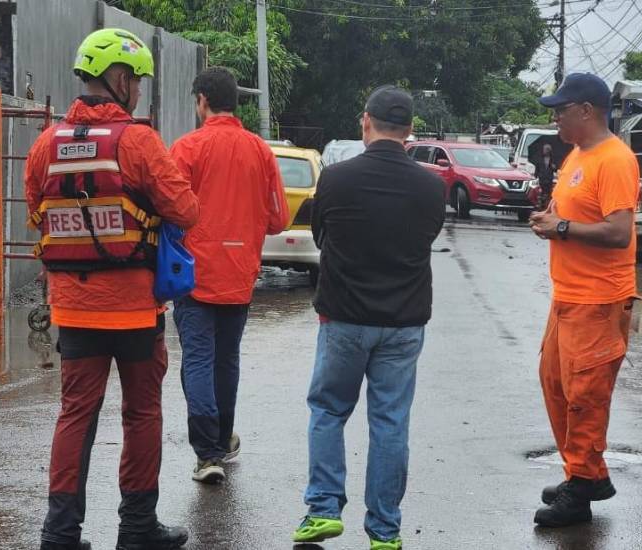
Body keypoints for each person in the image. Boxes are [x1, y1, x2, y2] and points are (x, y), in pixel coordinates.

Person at [25, 29, 199, 550]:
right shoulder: (138, 141)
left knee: (75, 413)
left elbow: (37, 210)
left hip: (74, 309)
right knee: (142, 412)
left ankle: (59, 534)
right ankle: (137, 528)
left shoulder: (45, 144)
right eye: (138, 81)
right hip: (134, 309)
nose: (140, 91)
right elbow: (185, 209)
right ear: (119, 80)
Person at [292, 85, 446, 550]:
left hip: (343, 319)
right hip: (403, 324)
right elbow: (425, 239)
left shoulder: (336, 179)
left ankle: (322, 510)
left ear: (366, 122)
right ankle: (384, 530)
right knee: (390, 422)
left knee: (328, 410)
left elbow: (321, 236)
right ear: (410, 131)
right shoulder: (431, 186)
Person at [528, 73, 641, 528]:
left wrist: (561, 229)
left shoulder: (615, 160)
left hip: (599, 301)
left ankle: (580, 490)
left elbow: (618, 232)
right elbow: (571, 214)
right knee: (556, 385)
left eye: (561, 108)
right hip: (568, 296)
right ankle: (586, 474)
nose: (555, 116)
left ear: (587, 111)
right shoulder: (577, 154)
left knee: (585, 398)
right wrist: (552, 219)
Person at [169, 67, 290, 484]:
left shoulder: (186, 149)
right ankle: (221, 439)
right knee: (226, 361)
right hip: (240, 278)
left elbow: (168, 210)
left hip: (193, 276)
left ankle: (208, 453)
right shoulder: (260, 151)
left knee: (198, 360)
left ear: (202, 100)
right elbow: (278, 219)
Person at [534, 143, 558, 208]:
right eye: (543, 149)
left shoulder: (553, 159)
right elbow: (537, 168)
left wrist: (554, 167)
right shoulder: (540, 158)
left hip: (549, 179)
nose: (544, 151)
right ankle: (540, 204)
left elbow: (556, 169)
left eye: (545, 149)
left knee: (548, 193)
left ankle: (546, 205)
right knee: (541, 192)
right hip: (541, 178)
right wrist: (535, 176)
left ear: (549, 151)